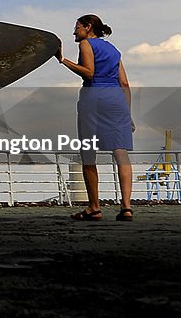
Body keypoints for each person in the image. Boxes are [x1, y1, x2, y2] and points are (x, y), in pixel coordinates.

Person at [55, 14, 135, 221]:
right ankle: (126, 208)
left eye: (77, 27)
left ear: (88, 27)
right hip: (116, 99)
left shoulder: (85, 44)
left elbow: (89, 73)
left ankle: (94, 208)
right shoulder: (114, 51)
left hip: (94, 97)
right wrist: (127, 113)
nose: (75, 32)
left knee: (88, 153)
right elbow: (125, 84)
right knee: (121, 153)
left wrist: (63, 60)